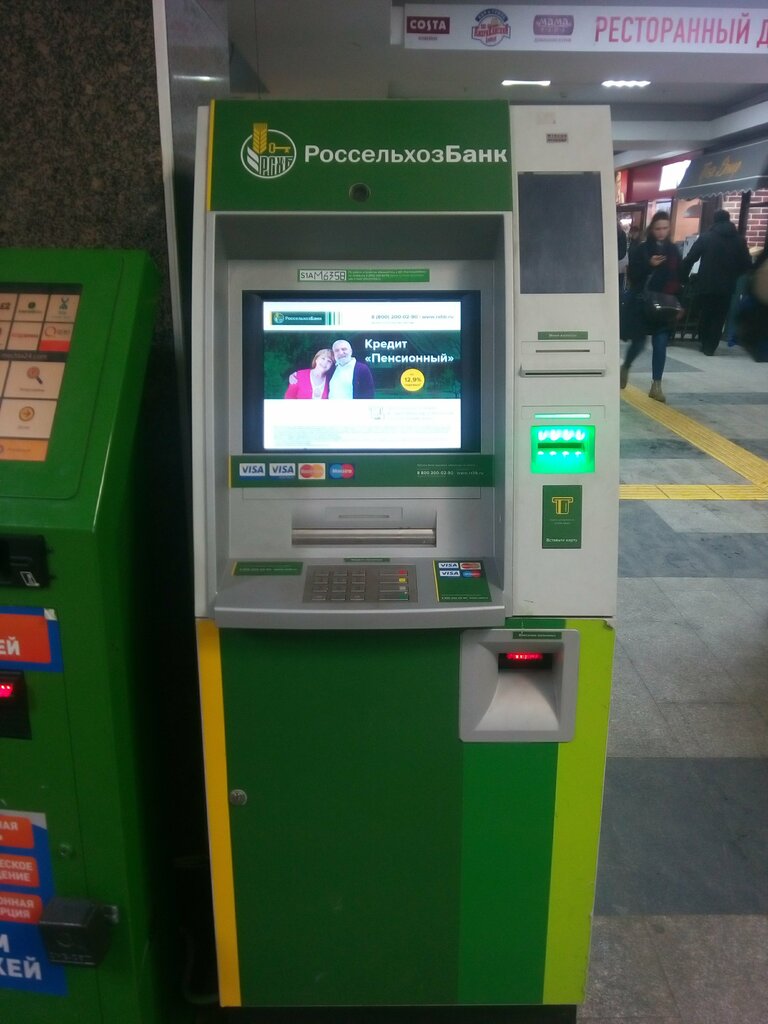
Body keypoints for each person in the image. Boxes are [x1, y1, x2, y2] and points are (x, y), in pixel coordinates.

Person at [620, 211, 683, 402]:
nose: (661, 232)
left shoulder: (673, 251)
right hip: (643, 304)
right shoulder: (642, 249)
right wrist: (649, 265)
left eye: (665, 228)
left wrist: (681, 303)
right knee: (638, 343)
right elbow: (633, 276)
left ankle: (656, 385)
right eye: (658, 228)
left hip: (664, 305)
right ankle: (626, 366)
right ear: (651, 229)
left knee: (661, 344)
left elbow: (679, 278)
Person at [680, 209, 752, 356]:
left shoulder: (706, 237)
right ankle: (711, 346)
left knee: (705, 313)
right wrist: (734, 274)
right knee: (719, 316)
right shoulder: (739, 240)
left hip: (706, 284)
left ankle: (704, 341)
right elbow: (746, 264)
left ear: (715, 220)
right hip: (727, 286)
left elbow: (690, 258)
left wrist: (683, 277)